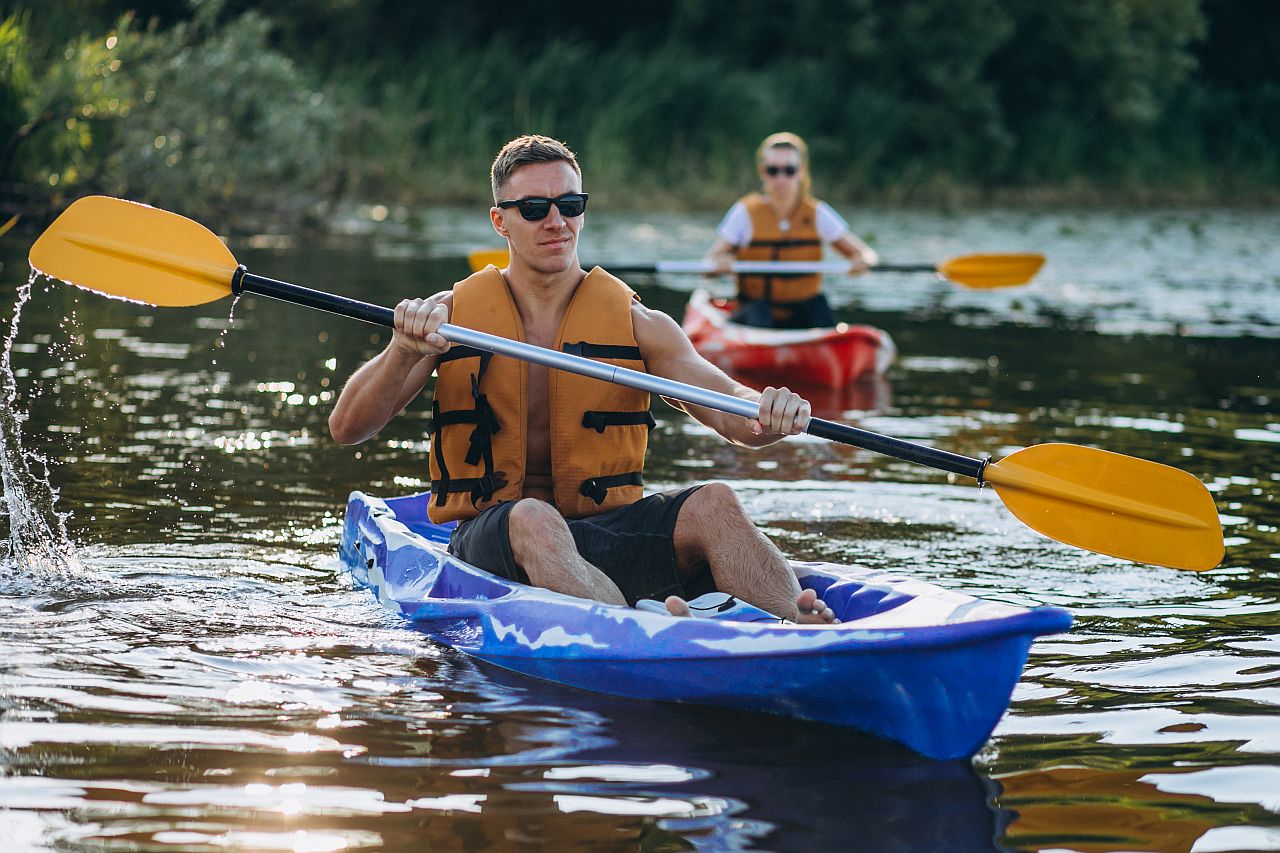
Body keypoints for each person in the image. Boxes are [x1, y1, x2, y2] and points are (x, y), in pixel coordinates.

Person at [329, 134, 835, 625]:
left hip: (605, 530)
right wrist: (401, 350)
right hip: (496, 537)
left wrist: (769, 411)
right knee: (532, 516)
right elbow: (348, 427)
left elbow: (733, 410)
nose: (556, 222)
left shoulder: (640, 324)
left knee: (715, 503)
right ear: (500, 221)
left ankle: (801, 626)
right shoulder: (449, 318)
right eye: (535, 209)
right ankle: (639, 630)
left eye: (570, 204)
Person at [705, 131, 879, 329]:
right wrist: (720, 261)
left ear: (801, 171)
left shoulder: (818, 213)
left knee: (820, 307)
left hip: (805, 307)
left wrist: (862, 260)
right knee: (759, 312)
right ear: (763, 171)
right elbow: (709, 264)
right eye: (773, 170)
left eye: (789, 170)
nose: (781, 178)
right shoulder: (743, 213)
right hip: (758, 310)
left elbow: (865, 253)